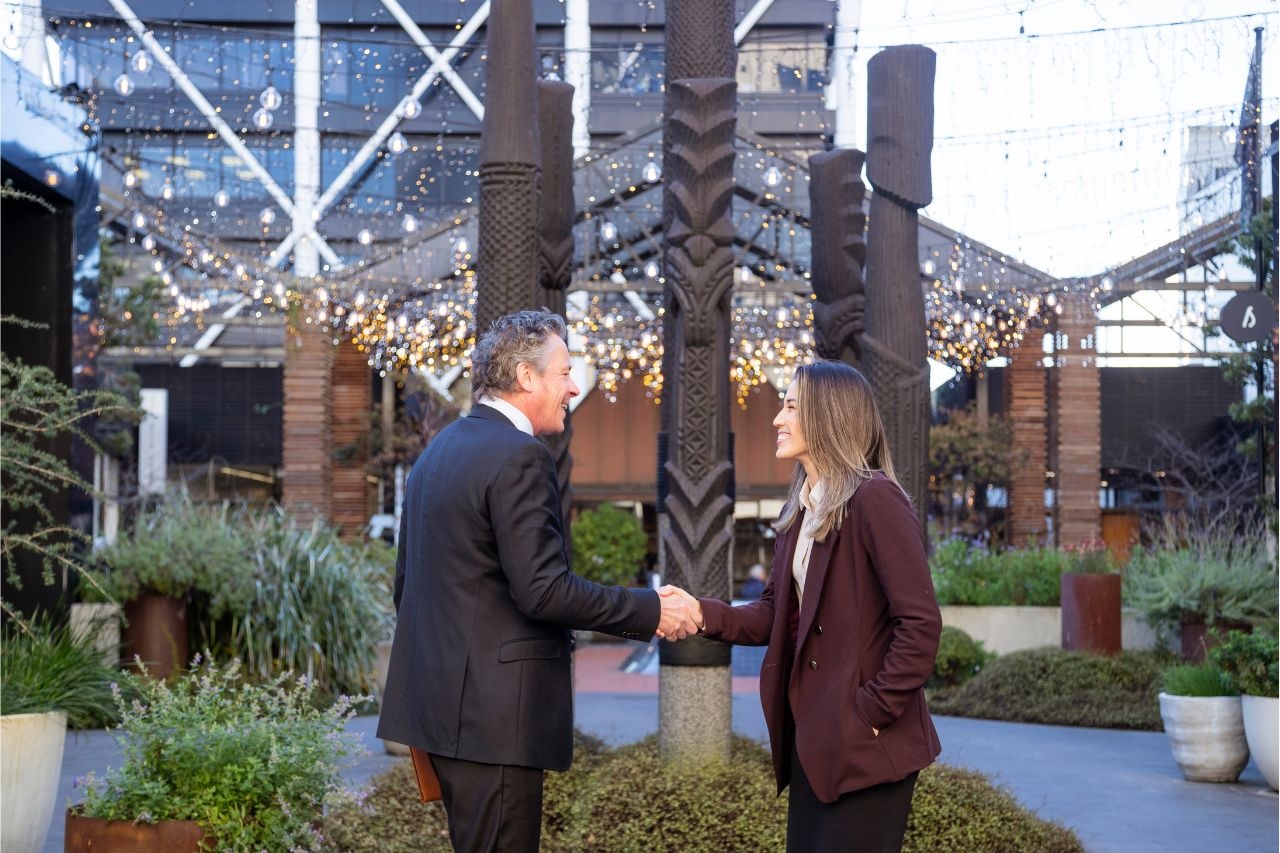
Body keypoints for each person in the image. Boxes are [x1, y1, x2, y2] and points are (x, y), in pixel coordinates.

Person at [377, 309, 701, 852]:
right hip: (495, 721)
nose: (574, 387)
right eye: (566, 372)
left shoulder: (437, 453)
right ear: (527, 377)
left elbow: (405, 586)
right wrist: (652, 610)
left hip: (443, 718)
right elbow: (543, 589)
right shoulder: (520, 456)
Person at [689, 359, 942, 852]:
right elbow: (774, 613)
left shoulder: (875, 499)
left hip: (867, 745)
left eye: (789, 407)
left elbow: (920, 623)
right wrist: (700, 613)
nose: (776, 421)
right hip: (814, 740)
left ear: (827, 414)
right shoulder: (801, 509)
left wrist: (871, 711)